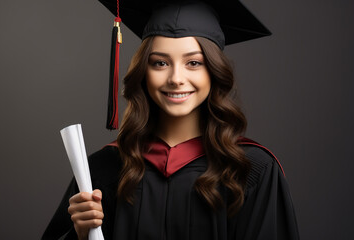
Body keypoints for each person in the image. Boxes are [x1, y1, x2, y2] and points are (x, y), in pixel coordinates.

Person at [42, 1, 300, 239]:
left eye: (194, 63)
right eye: (161, 63)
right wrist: (81, 233)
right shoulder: (103, 170)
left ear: (214, 71)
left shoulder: (251, 171)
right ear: (144, 72)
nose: (176, 78)